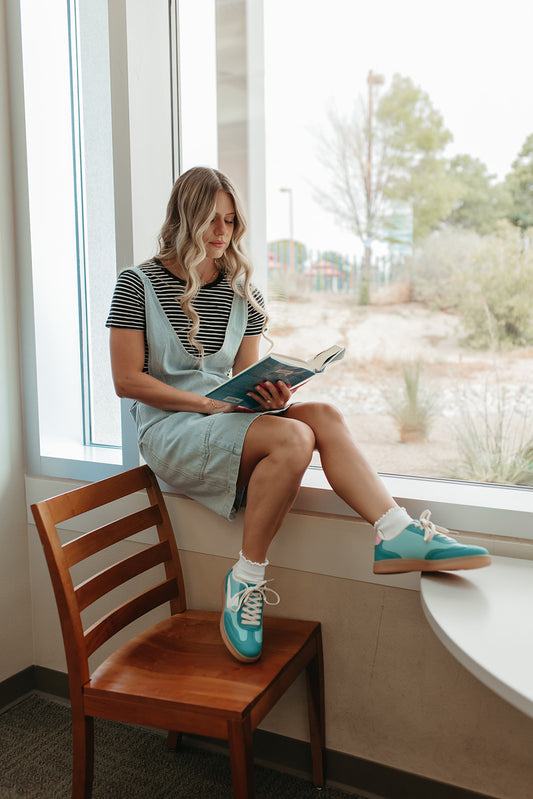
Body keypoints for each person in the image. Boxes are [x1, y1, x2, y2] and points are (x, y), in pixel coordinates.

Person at [106, 166, 491, 664]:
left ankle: (396, 532)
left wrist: (268, 399)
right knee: (292, 440)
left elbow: (240, 381)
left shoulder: (242, 291)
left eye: (230, 220)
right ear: (184, 218)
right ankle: (246, 580)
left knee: (322, 415)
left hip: (221, 420)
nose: (222, 232)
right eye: (210, 219)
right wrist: (209, 404)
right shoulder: (137, 283)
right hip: (170, 428)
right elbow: (126, 382)